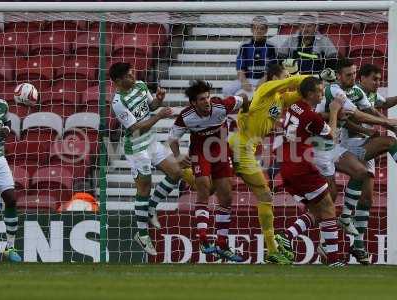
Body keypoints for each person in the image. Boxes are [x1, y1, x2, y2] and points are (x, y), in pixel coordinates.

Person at [313, 59, 397, 264]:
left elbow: (376, 109)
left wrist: (386, 123)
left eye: (380, 79)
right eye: (374, 79)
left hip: (340, 147)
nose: (378, 82)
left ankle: (354, 244)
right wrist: (386, 123)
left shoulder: (360, 94)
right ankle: (311, 238)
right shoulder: (335, 91)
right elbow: (355, 118)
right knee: (327, 198)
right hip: (334, 146)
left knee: (365, 197)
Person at [109, 62, 193, 256]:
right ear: (119, 81)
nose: (134, 76)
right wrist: (159, 116)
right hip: (137, 147)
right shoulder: (118, 102)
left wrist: (158, 100)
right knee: (144, 188)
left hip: (152, 142)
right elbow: (135, 129)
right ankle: (142, 235)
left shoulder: (139, 85)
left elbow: (150, 105)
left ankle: (151, 207)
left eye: (133, 73)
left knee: (176, 172)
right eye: (129, 75)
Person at [228, 64, 309, 264]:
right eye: (285, 75)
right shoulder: (265, 90)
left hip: (247, 148)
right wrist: (310, 77)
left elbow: (301, 92)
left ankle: (272, 249)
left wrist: (318, 85)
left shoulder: (280, 99)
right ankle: (272, 250)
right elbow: (293, 82)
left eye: (289, 75)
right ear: (274, 78)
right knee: (265, 196)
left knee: (213, 187)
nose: (288, 78)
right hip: (240, 146)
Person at [168, 80, 249, 262]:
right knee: (204, 189)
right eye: (202, 99)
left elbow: (243, 98)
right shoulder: (186, 116)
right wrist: (178, 156)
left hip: (221, 151)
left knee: (226, 196)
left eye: (208, 97)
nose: (207, 101)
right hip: (200, 153)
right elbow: (172, 139)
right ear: (193, 103)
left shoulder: (221, 105)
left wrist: (247, 111)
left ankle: (222, 244)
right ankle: (203, 239)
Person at [275, 76, 345, 267]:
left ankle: (286, 236)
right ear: (310, 94)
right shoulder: (310, 116)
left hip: (287, 166)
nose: (323, 93)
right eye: (320, 91)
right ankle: (333, 260)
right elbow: (331, 135)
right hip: (302, 167)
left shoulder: (294, 107)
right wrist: (334, 112)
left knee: (317, 211)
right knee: (329, 208)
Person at [222, 16, 277, 97]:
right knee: (226, 89)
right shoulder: (244, 46)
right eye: (256, 28)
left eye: (262, 28)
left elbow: (273, 69)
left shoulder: (271, 47)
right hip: (247, 79)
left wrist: (263, 81)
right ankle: (234, 109)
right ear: (251, 29)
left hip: (265, 79)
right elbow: (240, 68)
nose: (258, 31)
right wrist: (244, 81)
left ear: (266, 30)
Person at [0, 98, 21, 262]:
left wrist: (5, 129)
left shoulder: (1, 105)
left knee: (11, 199)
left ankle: (10, 247)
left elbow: (7, 123)